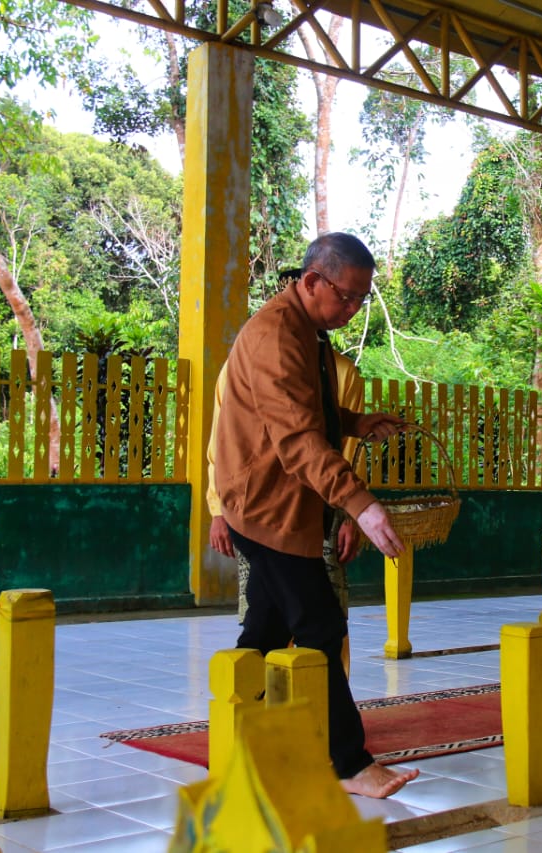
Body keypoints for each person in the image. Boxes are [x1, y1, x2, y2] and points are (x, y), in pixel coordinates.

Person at [213, 233, 418, 798]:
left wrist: (355, 423)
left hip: (281, 501)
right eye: (346, 296)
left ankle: (237, 732)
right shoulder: (278, 336)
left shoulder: (308, 331)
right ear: (310, 281)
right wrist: (361, 504)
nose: (352, 309)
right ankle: (349, 765)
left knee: (269, 627)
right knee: (321, 625)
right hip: (265, 506)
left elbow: (310, 413)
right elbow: (298, 441)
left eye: (361, 299)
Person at [206, 338, 365, 674]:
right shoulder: (239, 366)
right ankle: (263, 707)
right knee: (266, 618)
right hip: (257, 513)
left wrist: (351, 514)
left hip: (322, 512)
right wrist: (218, 509)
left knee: (326, 622)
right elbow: (222, 440)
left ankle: (323, 708)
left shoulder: (342, 371)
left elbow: (349, 448)